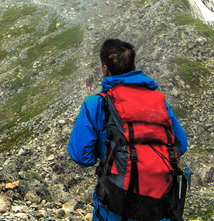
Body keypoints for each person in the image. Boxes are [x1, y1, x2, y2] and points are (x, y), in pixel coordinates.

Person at [68, 38, 188, 221]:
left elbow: (80, 156)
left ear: (105, 68)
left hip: (116, 208)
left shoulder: (97, 103)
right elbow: (182, 145)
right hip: (160, 208)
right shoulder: (159, 101)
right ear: (133, 66)